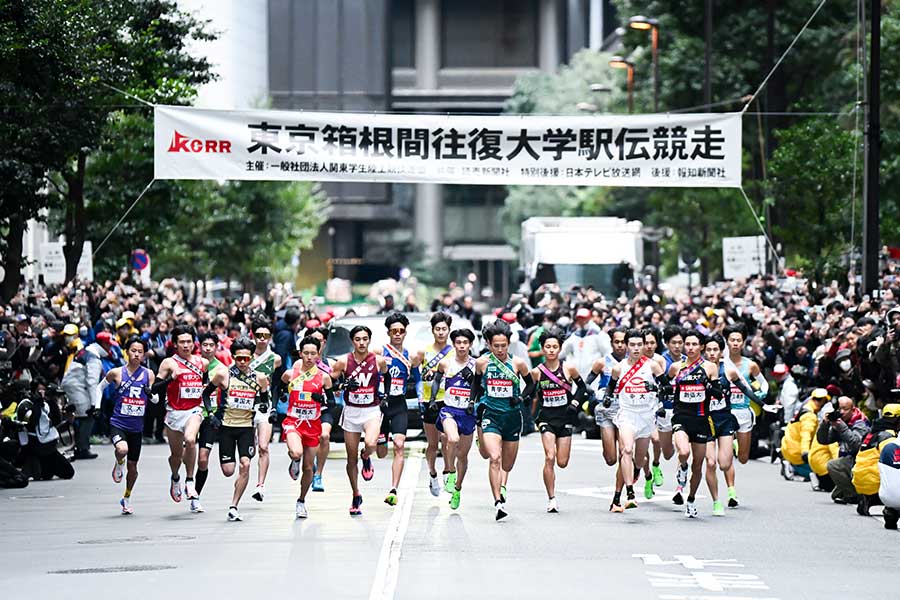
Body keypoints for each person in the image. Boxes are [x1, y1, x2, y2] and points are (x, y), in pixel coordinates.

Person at [202, 336, 270, 521]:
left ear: (251, 359)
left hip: (246, 428)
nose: (242, 362)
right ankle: (239, 484)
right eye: (238, 358)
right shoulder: (223, 374)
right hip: (226, 428)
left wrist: (263, 407)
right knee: (228, 470)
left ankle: (234, 506)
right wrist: (211, 415)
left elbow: (265, 401)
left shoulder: (260, 378)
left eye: (246, 359)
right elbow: (206, 394)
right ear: (233, 357)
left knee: (245, 465)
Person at [473, 321, 535, 520]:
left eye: (503, 345)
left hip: (512, 418)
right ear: (489, 345)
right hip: (491, 415)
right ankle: (498, 502)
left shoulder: (518, 363)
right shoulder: (482, 363)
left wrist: (521, 398)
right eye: (496, 346)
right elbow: (476, 386)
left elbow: (531, 385)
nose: (500, 350)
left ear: (509, 344)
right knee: (494, 458)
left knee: (507, 465)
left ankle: (502, 486)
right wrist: (471, 402)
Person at [329, 325, 389, 516]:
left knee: (371, 444)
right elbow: (330, 383)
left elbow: (386, 376)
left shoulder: (378, 361)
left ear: (369, 340)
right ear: (352, 341)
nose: (361, 343)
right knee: (350, 457)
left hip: (371, 410)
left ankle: (366, 456)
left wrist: (385, 395)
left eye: (365, 339)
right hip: (352, 412)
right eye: (358, 339)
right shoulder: (343, 362)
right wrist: (344, 384)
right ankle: (356, 494)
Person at [606, 329, 664, 511]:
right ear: (626, 346)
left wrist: (653, 388)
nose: (637, 348)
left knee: (639, 461)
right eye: (633, 345)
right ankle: (630, 493)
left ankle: (638, 473)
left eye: (640, 344)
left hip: (646, 417)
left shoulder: (653, 366)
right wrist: (607, 398)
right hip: (627, 415)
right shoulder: (618, 368)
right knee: (626, 450)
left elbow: (667, 389)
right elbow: (610, 388)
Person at [529, 327, 586, 512]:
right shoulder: (537, 372)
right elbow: (529, 390)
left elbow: (583, 388)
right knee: (549, 457)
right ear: (543, 349)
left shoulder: (568, 368)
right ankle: (551, 498)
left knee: (562, 462)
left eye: (555, 346)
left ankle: (553, 492)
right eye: (548, 346)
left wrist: (575, 403)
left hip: (565, 418)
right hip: (546, 418)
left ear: (560, 348)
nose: (551, 350)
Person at [667, 330, 722, 518]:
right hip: (681, 417)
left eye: (694, 344)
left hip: (701, 419)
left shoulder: (710, 367)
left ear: (701, 347)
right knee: (684, 452)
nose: (690, 348)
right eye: (687, 344)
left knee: (698, 465)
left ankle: (690, 499)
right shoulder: (676, 367)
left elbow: (718, 393)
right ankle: (682, 468)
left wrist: (707, 384)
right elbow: (665, 388)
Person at [153, 324, 208, 508]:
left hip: (194, 410)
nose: (186, 345)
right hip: (174, 413)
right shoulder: (169, 362)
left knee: (190, 440)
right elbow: (156, 388)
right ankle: (175, 477)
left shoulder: (202, 363)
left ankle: (190, 481)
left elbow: (205, 388)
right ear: (175, 344)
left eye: (189, 342)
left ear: (194, 343)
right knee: (176, 456)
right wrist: (171, 378)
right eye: (182, 342)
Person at [100, 336, 155, 515]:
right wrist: (95, 406)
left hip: (136, 428)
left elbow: (156, 399)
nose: (136, 354)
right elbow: (99, 388)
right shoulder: (116, 372)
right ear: (127, 352)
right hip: (118, 423)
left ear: (144, 354)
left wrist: (151, 394)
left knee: (133, 468)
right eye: (133, 351)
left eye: (140, 352)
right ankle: (118, 460)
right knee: (122, 450)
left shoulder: (148, 374)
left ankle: (127, 497)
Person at [281, 336, 333, 519]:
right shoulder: (290, 374)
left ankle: (301, 500)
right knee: (296, 452)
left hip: (313, 425)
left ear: (318, 354)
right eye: (306, 353)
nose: (309, 357)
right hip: (293, 422)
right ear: (300, 354)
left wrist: (323, 399)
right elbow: (279, 388)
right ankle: (294, 460)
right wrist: (278, 400)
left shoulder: (324, 377)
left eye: (313, 353)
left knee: (309, 468)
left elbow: (332, 403)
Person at [430, 328, 478, 510]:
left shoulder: (476, 365)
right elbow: (436, 380)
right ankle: (449, 471)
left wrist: (473, 379)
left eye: (465, 343)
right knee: (452, 439)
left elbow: (482, 387)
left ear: (470, 345)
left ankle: (457, 488)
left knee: (463, 456)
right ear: (454, 344)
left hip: (467, 414)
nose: (462, 346)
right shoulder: (445, 363)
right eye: (458, 343)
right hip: (449, 410)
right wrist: (433, 400)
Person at [377, 313, 422, 506]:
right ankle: (367, 456)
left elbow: (418, 379)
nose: (397, 334)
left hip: (399, 404)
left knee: (399, 445)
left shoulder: (410, 357)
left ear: (405, 333)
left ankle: (394, 489)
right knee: (378, 451)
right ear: (388, 333)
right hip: (379, 405)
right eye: (394, 331)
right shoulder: (380, 352)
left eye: (401, 331)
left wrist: (421, 398)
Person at [722, 324, 768, 508]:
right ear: (727, 342)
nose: (735, 343)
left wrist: (761, 394)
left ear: (743, 343)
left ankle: (735, 444)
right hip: (725, 412)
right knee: (726, 459)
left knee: (743, 458)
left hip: (744, 412)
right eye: (732, 340)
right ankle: (731, 491)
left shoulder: (751, 365)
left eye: (738, 340)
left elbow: (763, 384)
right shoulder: (721, 364)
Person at [418, 312, 454, 496]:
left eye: (444, 329)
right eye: (437, 329)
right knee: (433, 444)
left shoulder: (455, 351)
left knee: (447, 438)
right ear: (432, 331)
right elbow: (410, 369)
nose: (441, 332)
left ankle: (448, 472)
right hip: (429, 402)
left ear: (449, 330)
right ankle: (432, 474)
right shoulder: (423, 352)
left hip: (448, 401)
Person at [702, 335, 739, 516]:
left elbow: (746, 388)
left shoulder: (729, 371)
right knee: (711, 462)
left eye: (715, 350)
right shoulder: (699, 371)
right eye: (708, 350)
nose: (711, 353)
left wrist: (763, 404)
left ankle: (731, 444)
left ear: (721, 351)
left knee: (724, 464)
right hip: (706, 421)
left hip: (724, 419)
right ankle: (717, 502)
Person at [248, 318, 281, 503]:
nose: (262, 339)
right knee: (248, 450)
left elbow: (276, 385)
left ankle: (260, 486)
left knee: (263, 446)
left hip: (264, 406)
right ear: (252, 334)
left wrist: (274, 406)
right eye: (258, 335)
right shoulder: (244, 355)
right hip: (243, 406)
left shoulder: (275, 359)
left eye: (266, 335)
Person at [817, 395, 871, 504]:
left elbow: (856, 444)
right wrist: (825, 424)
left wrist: (842, 427)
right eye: (840, 409)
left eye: (845, 409)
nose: (842, 412)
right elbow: (823, 440)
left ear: (853, 409)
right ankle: (854, 493)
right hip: (849, 460)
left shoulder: (860, 422)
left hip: (861, 461)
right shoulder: (841, 422)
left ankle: (856, 496)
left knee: (833, 465)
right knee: (836, 496)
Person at [194, 331, 225, 513]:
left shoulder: (221, 369)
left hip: (209, 416)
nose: (207, 348)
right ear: (200, 347)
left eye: (211, 345)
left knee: (203, 459)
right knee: (184, 455)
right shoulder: (192, 363)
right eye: (204, 345)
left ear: (216, 347)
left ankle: (195, 495)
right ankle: (183, 478)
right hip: (189, 413)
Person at [652, 325, 685, 487]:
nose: (678, 346)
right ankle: (656, 465)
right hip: (664, 410)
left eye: (680, 342)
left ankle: (680, 485)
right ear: (666, 343)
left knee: (683, 448)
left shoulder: (688, 360)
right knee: (667, 453)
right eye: (674, 343)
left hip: (683, 410)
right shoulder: (660, 361)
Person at [780, 388, 832, 481]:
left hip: (788, 447)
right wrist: (805, 452)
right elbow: (806, 435)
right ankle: (792, 468)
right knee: (819, 474)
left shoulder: (804, 407)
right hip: (796, 452)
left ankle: (792, 466)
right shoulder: (809, 416)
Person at [306, 326, 333, 492]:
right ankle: (298, 461)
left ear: (324, 343)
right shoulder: (300, 365)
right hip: (304, 410)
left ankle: (318, 475)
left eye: (319, 341)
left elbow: (336, 387)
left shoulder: (330, 365)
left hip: (324, 409)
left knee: (324, 436)